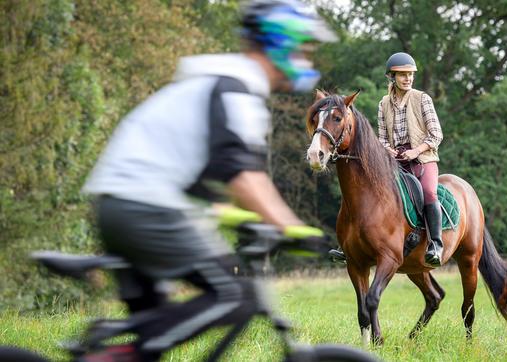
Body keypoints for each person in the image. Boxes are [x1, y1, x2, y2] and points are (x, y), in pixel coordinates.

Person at [80, 0, 337, 360]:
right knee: (237, 297)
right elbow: (242, 174)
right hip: (146, 207)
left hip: (120, 204)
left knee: (153, 335)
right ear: (281, 43)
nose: (306, 61)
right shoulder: (236, 88)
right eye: (304, 50)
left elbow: (210, 171)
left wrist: (233, 214)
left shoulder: (217, 82)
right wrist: (290, 226)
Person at [329, 52, 444, 268]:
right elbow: (381, 137)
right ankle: (349, 244)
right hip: (394, 161)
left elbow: (436, 134)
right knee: (364, 188)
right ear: (391, 77)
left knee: (428, 192)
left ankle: (435, 244)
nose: (408, 78)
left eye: (410, 74)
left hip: (423, 159)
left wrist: (416, 151)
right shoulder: (383, 104)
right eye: (402, 75)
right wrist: (387, 149)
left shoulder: (422, 99)